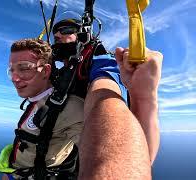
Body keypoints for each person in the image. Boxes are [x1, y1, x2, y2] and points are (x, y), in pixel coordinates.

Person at [52, 17, 160, 164]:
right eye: (55, 34)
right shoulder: (62, 72)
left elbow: (104, 89)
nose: (57, 35)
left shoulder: (100, 59)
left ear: (83, 35)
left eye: (66, 30)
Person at [0, 38, 84, 180]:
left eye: (24, 68)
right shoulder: (35, 99)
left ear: (45, 70)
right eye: (11, 70)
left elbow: (99, 155)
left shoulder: (70, 107)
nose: (14, 78)